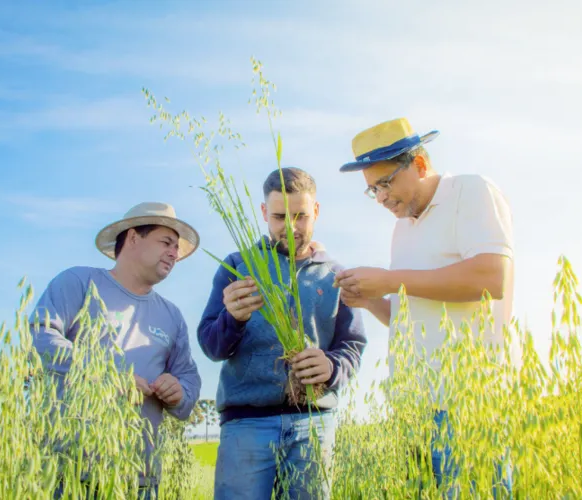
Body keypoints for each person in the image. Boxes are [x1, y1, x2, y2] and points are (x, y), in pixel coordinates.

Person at [335, 118, 515, 497]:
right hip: (412, 409)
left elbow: (491, 278)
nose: (380, 198)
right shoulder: (403, 229)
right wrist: (370, 301)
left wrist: (388, 279)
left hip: (465, 403)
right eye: (372, 191)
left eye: (385, 184)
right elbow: (408, 318)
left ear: (419, 165)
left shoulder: (472, 191)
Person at [197, 167, 368, 500]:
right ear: (263, 213)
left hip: (314, 424)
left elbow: (353, 345)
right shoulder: (237, 265)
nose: (289, 228)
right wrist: (232, 318)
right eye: (278, 217)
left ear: (316, 211)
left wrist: (332, 368)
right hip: (245, 425)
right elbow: (211, 345)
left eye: (301, 216)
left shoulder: (336, 274)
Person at [29, 201, 203, 499]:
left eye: (176, 247)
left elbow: (187, 382)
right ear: (133, 237)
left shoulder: (172, 315)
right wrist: (109, 375)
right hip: (71, 471)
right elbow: (41, 338)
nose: (174, 253)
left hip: (140, 477)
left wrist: (178, 392)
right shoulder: (78, 282)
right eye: (166, 242)